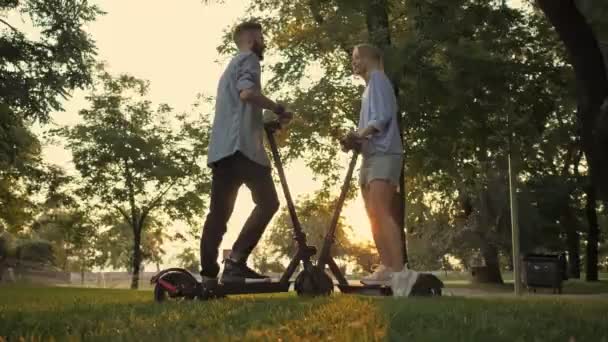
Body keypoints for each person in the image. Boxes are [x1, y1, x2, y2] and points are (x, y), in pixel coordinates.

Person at [201, 21, 293, 283]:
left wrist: (266, 122)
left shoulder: (231, 67)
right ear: (252, 40)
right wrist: (277, 108)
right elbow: (248, 93)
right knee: (268, 203)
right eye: (261, 38)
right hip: (244, 150)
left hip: (222, 152)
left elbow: (240, 110)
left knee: (218, 215)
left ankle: (208, 277)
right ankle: (236, 262)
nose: (264, 43)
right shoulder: (250, 59)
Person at [343, 43, 418, 293]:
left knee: (380, 210)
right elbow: (372, 123)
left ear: (367, 58)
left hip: (385, 154)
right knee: (373, 214)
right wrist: (355, 139)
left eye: (355, 58)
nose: (353, 62)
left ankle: (400, 272)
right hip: (371, 155)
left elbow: (383, 117)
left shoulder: (378, 80)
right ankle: (386, 266)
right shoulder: (369, 87)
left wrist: (359, 134)